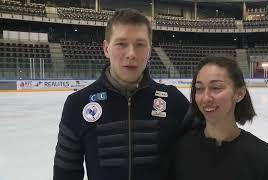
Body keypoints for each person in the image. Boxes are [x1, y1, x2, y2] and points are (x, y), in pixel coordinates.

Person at [53, 8, 189, 180]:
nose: (131, 54)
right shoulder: (77, 104)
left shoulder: (175, 101)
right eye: (121, 44)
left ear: (149, 51)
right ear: (106, 48)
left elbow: (199, 158)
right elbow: (65, 173)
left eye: (140, 44)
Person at [174, 56, 268, 180]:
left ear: (239, 93)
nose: (205, 98)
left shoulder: (267, 160)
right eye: (199, 89)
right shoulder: (181, 149)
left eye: (216, 88)